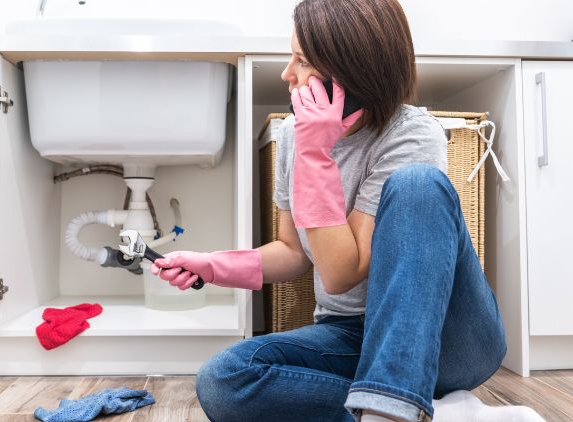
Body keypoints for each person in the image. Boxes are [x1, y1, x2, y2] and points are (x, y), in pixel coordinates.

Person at [151, 0, 539, 421]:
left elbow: (340, 272)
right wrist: (212, 266)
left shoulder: (411, 134)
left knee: (417, 186)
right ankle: (412, 409)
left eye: (301, 61)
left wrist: (317, 157)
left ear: (348, 73)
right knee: (225, 379)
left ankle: (390, 408)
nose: (287, 74)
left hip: (448, 336)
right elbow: (293, 251)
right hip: (354, 334)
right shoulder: (294, 138)